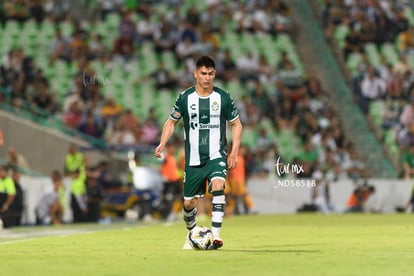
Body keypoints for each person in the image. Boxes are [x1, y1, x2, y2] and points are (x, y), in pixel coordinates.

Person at [154, 55, 243, 250]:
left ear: (215, 74)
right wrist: (162, 143)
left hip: (216, 155)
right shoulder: (185, 98)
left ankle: (217, 236)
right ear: (195, 74)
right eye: (203, 73)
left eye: (211, 74)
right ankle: (192, 233)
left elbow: (236, 124)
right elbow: (171, 122)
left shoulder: (223, 97)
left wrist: (234, 152)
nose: (207, 77)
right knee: (188, 203)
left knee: (219, 185)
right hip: (193, 159)